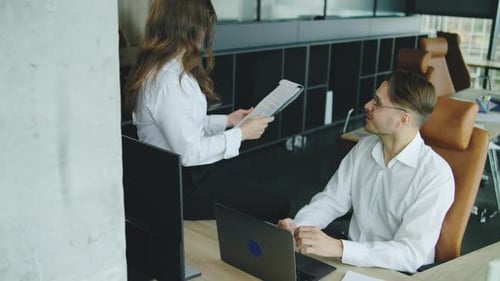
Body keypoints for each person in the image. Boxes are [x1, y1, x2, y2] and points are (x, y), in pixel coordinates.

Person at [124, 0, 289, 222]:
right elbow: (189, 153)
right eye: (203, 23)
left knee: (247, 188)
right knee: (278, 207)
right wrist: (241, 133)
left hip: (180, 177)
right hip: (181, 187)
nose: (205, 31)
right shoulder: (169, 81)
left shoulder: (165, 68)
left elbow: (184, 125)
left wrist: (228, 121)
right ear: (187, 25)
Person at [278, 70, 454, 273]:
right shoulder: (365, 147)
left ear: (403, 120)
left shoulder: (435, 175)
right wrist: (298, 227)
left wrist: (339, 247)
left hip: (397, 272)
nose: (367, 105)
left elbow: (410, 253)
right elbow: (332, 200)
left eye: (378, 103)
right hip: (349, 262)